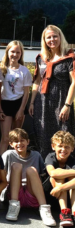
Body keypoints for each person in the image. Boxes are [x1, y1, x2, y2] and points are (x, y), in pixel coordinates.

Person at [29, 25, 75, 158]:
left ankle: (67, 170)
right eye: (48, 37)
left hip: (61, 101)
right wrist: (31, 103)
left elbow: (74, 82)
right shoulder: (41, 58)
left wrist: (67, 105)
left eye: (55, 36)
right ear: (44, 40)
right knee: (43, 134)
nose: (52, 39)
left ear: (60, 37)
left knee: (64, 135)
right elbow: (37, 82)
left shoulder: (69, 57)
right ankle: (45, 169)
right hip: (42, 102)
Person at [2, 128, 56, 226]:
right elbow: (1, 173)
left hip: (32, 194)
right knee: (16, 166)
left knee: (31, 169)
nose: (19, 143)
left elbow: (43, 174)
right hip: (14, 193)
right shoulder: (8, 154)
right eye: (16, 141)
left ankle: (44, 209)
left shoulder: (36, 155)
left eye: (22, 140)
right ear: (11, 144)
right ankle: (13, 206)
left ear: (28, 141)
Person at [0, 41, 32, 155]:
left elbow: (26, 92)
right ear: (8, 52)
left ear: (21, 54)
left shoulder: (24, 71)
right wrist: (0, 110)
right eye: (12, 51)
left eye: (18, 52)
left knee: (17, 138)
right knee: (6, 138)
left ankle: (16, 163)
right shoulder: (2, 69)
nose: (15, 54)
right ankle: (0, 164)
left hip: (19, 104)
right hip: (5, 104)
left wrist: (21, 110)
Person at [45, 131, 75, 227]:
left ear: (72, 149)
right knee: (58, 174)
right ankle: (64, 212)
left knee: (71, 176)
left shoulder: (72, 161)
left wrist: (60, 188)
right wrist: (58, 188)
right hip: (51, 194)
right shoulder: (50, 157)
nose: (63, 149)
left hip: (63, 192)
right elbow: (52, 172)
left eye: (67, 147)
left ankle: (74, 212)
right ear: (53, 146)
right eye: (60, 146)